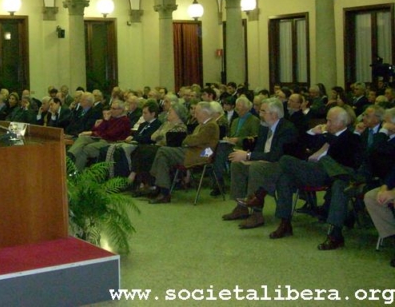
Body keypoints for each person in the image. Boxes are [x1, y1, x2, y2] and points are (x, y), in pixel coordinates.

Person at [268, 106, 361, 250]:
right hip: (313, 172)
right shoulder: (324, 136)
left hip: (333, 174)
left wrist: (325, 135)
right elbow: (299, 143)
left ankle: (261, 192)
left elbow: (343, 156)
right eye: (327, 121)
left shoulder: (351, 137)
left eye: (330, 121)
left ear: (342, 123)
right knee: (285, 177)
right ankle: (285, 222)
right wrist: (312, 132)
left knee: (285, 160)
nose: (327, 124)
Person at [222, 97, 298, 229]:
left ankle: (256, 213)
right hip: (265, 162)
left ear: (274, 115)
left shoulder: (287, 129)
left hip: (281, 166)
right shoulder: (264, 127)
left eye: (263, 111)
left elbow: (276, 156)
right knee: (237, 164)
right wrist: (248, 158)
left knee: (256, 167)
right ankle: (241, 206)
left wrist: (248, 155)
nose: (259, 114)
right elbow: (258, 149)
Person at [148, 101, 220, 204]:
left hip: (202, 154)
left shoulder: (211, 125)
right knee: (162, 155)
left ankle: (158, 186)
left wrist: (187, 140)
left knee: (163, 151)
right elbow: (193, 140)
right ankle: (163, 191)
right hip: (193, 150)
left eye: (197, 112)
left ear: (205, 113)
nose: (195, 114)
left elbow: (195, 140)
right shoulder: (201, 125)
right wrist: (189, 140)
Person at [67, 100, 131, 171]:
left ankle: (76, 172)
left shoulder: (124, 121)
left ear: (121, 110)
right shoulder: (111, 118)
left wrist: (103, 125)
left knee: (86, 148)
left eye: (114, 109)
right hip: (101, 138)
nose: (111, 110)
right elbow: (96, 129)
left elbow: (111, 134)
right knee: (83, 138)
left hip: (111, 142)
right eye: (111, 108)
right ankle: (70, 155)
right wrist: (104, 121)